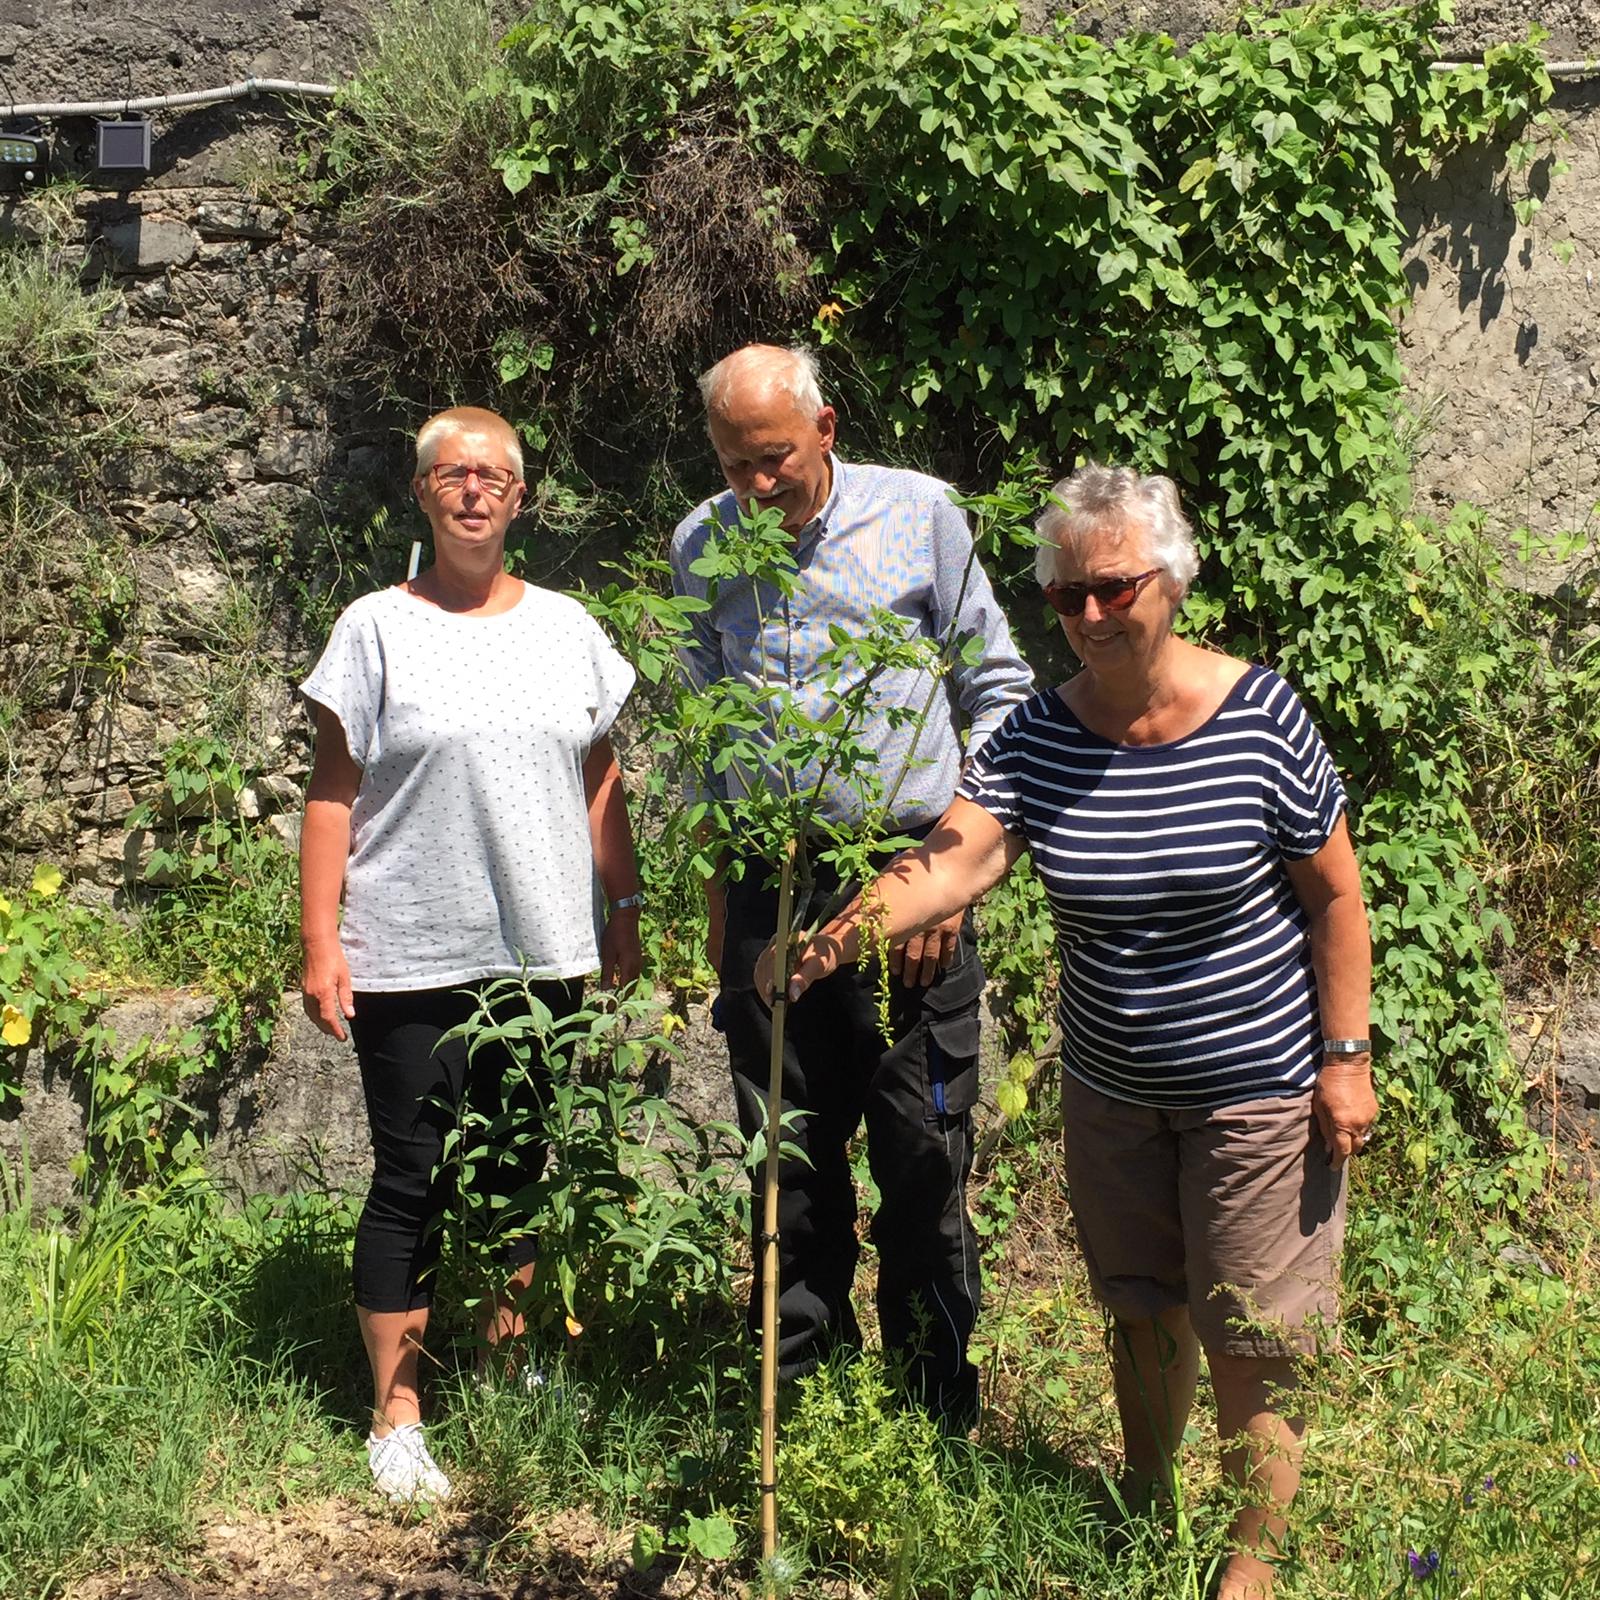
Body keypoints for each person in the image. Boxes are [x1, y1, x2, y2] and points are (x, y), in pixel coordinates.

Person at [760, 463, 1377, 1599]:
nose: (1091, 615)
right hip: (1110, 1087)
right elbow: (962, 853)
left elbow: (1335, 895)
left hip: (1259, 1083)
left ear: (1171, 581)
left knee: (1251, 1332)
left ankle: (1250, 1566)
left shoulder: (1260, 713)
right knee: (1140, 1308)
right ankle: (1150, 1502)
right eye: (1066, 596)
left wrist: (1345, 1059)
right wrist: (841, 932)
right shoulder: (1044, 734)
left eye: (1113, 587)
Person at [669, 343, 1033, 1424]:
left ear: (825, 430)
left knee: (919, 1160)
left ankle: (932, 1416)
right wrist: (719, 904)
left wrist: (949, 876)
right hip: (764, 880)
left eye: (772, 456)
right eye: (733, 461)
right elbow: (699, 730)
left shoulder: (921, 516)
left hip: (905, 869)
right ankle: (803, 1409)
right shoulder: (701, 542)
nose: (753, 484)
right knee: (786, 1157)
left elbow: (1001, 694)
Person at [299, 406, 642, 1505]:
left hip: (543, 952)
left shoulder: (567, 627)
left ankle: (508, 1359)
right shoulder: (374, 627)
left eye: (494, 475)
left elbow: (598, 778)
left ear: (520, 497)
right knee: (411, 1179)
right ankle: (395, 1416)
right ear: (422, 492)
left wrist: (623, 905)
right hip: (407, 951)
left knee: (516, 1173)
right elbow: (332, 791)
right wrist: (320, 940)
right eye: (452, 473)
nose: (474, 490)